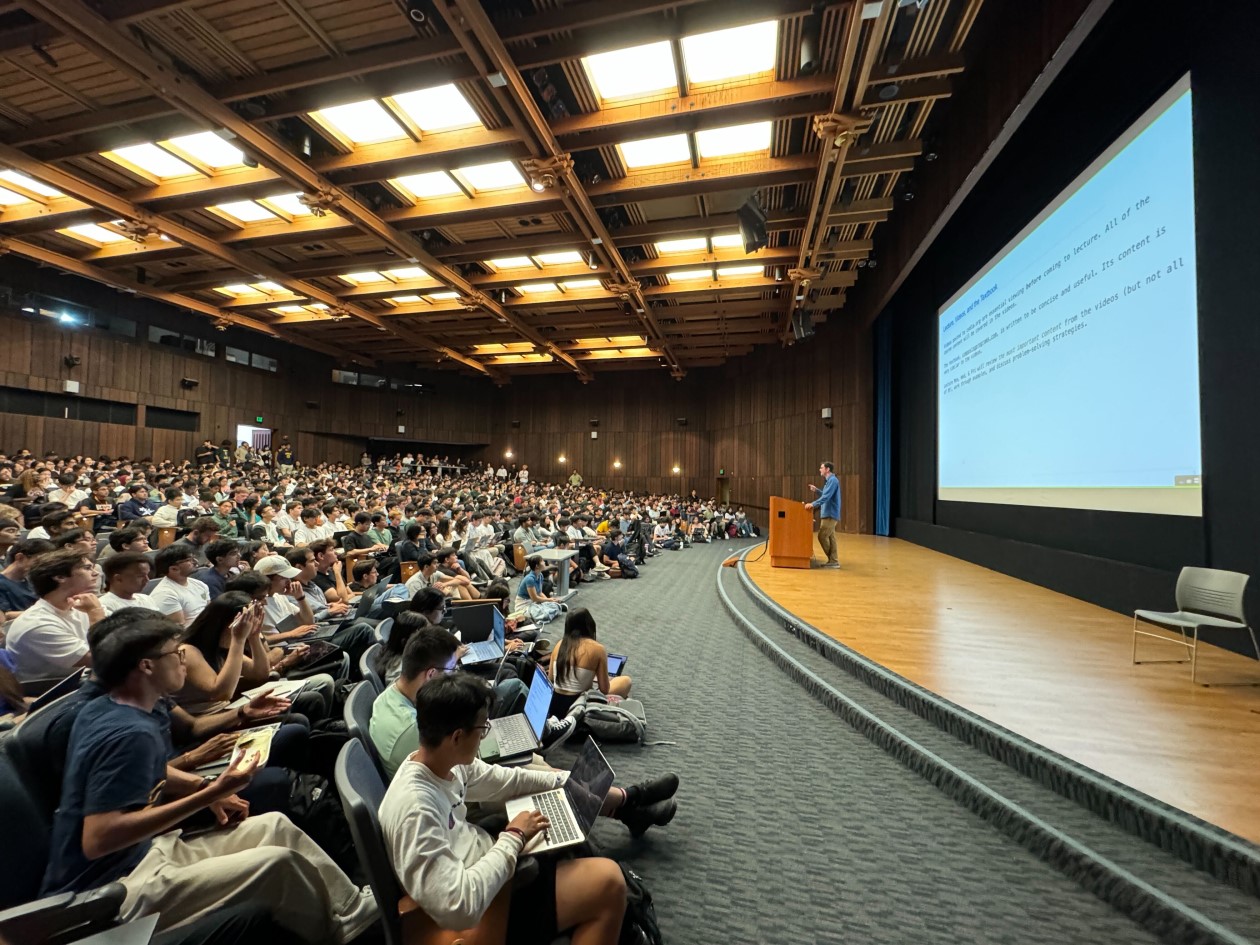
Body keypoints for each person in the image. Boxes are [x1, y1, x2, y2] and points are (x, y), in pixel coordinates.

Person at [38, 611, 379, 941]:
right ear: (146, 666)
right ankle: (342, 935)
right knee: (277, 864)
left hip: (144, 854)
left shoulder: (120, 707)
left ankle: (351, 911)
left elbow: (148, 773)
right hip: (110, 892)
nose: (184, 660)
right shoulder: (127, 732)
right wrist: (213, 789)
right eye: (176, 654)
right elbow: (98, 839)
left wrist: (208, 789)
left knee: (274, 826)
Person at [379, 673, 679, 942]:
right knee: (608, 881)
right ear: (457, 736)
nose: (484, 735)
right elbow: (459, 908)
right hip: (483, 910)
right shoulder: (415, 809)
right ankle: (621, 911)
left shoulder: (443, 764)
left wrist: (576, 784)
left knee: (569, 831)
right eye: (482, 729)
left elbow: (510, 781)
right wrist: (513, 838)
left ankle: (629, 808)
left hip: (487, 863)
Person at [5, 547, 104, 680]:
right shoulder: (37, 624)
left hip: (81, 681)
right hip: (51, 694)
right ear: (60, 577)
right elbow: (101, 659)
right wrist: (96, 613)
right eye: (87, 568)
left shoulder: (81, 605)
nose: (96, 573)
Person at [549, 608, 631, 717]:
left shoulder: (559, 644)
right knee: (626, 681)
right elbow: (604, 689)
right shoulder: (597, 648)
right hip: (578, 706)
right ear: (590, 625)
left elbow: (550, 678)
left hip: (555, 704)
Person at [148, 545, 212, 626]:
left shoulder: (200, 585)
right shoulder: (166, 594)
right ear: (173, 569)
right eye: (189, 560)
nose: (195, 561)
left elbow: (210, 613)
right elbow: (178, 630)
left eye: (193, 558)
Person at [0, 536, 54, 619]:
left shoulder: (34, 580)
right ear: (20, 557)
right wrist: (47, 613)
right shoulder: (2, 582)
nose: (45, 566)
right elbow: (6, 615)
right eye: (41, 561)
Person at [99, 551, 163, 615]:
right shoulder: (104, 606)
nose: (147, 580)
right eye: (140, 576)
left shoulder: (146, 599)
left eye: (147, 575)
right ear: (118, 579)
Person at [805, 460, 841, 569]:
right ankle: (833, 560)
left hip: (830, 514)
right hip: (828, 514)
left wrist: (813, 504)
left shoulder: (833, 480)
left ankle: (833, 560)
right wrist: (817, 490)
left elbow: (826, 497)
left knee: (822, 536)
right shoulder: (829, 481)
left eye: (821, 468)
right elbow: (826, 495)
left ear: (827, 469)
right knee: (831, 538)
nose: (820, 470)